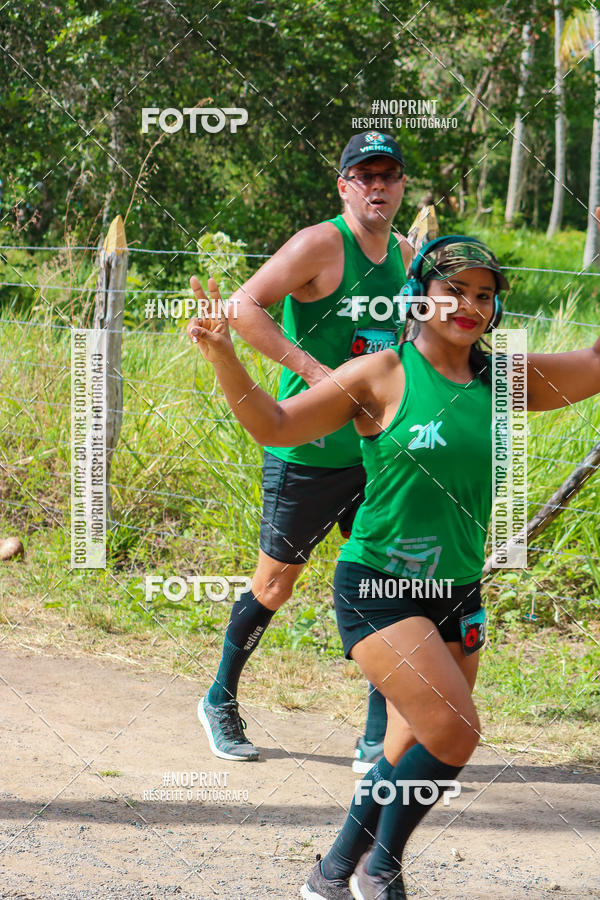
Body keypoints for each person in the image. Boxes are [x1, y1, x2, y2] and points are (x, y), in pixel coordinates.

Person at [187, 234, 600, 899]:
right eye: (454, 290)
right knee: (455, 732)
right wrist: (225, 357)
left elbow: (597, 361)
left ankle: (342, 874)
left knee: (406, 751)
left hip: (458, 592)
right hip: (379, 587)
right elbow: (273, 424)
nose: (470, 305)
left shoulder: (506, 378)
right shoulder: (380, 374)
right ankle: (373, 871)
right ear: (418, 295)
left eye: (485, 295)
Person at [194, 131, 413, 768]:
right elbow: (242, 306)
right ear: (343, 186)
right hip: (308, 451)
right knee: (274, 586)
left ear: (401, 187)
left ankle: (377, 730)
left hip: (375, 451)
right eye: (364, 176)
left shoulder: (404, 252)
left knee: (388, 582)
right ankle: (219, 698)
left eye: (389, 176)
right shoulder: (321, 243)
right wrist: (316, 373)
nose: (378, 186)